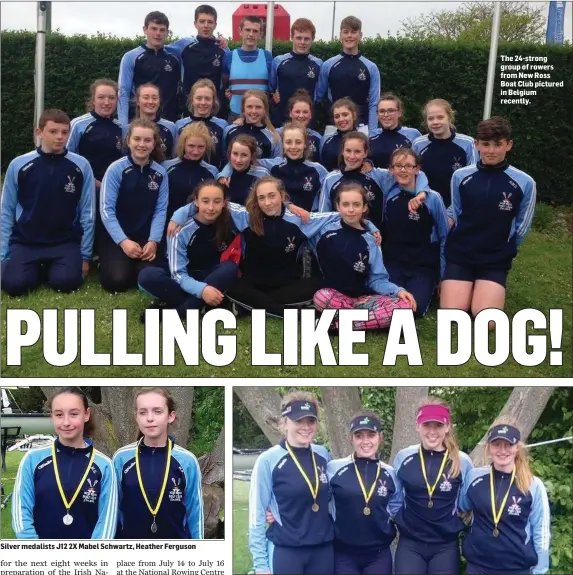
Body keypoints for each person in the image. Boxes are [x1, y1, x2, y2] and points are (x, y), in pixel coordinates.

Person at [170, 176, 378, 319]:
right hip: (253, 283)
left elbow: (343, 214)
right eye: (262, 198)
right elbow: (213, 201)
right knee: (231, 285)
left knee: (318, 285)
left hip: (287, 285)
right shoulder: (246, 217)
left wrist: (369, 224)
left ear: (282, 196)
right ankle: (289, 314)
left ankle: (250, 308)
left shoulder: (300, 220)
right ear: (256, 200)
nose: (268, 203)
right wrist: (179, 214)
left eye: (272, 196)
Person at [439, 116, 536, 317]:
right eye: (485, 144)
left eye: (497, 145)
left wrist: (506, 247)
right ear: (476, 145)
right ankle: (465, 285)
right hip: (461, 254)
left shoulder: (525, 182)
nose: (491, 150)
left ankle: (486, 287)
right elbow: (457, 212)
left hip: (495, 258)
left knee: (488, 320)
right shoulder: (460, 176)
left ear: (508, 145)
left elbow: (522, 225)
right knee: (452, 315)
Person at [1, 109, 95, 296]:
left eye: (64, 132)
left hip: (64, 241)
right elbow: (6, 211)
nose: (60, 137)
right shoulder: (19, 165)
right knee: (14, 286)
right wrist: (3, 256)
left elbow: (88, 212)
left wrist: (85, 256)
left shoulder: (81, 165)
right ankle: (33, 267)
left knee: (67, 283)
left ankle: (52, 268)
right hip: (27, 241)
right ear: (39, 132)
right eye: (53, 132)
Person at [11, 387, 117, 539]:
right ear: (51, 416)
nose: (66, 422)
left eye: (74, 414)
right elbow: (21, 513)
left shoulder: (104, 465)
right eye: (59, 414)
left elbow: (107, 520)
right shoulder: (32, 459)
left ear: (86, 415)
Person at [249, 391, 334, 575]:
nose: (306, 427)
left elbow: (334, 498)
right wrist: (260, 565)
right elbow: (256, 515)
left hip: (323, 550)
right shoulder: (268, 460)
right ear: (284, 422)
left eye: (310, 421)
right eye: (298, 421)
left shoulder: (323, 455)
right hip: (287, 551)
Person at [311, 182, 416, 330]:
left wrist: (398, 290)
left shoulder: (371, 240)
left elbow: (377, 279)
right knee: (321, 297)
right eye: (346, 204)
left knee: (404, 307)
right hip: (333, 296)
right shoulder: (323, 230)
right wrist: (289, 205)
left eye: (356, 204)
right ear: (338, 206)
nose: (351, 210)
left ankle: (339, 325)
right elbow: (298, 218)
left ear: (364, 207)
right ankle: (370, 320)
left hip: (362, 300)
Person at [392, 397, 474, 575]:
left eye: (437, 425)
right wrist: (402, 518)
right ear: (417, 426)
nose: (432, 431)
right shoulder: (403, 457)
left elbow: (466, 503)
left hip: (445, 546)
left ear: (447, 427)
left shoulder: (462, 461)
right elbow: (395, 497)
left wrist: (455, 520)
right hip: (410, 544)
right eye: (426, 425)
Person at [459, 419, 551, 575]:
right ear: (488, 447)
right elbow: (460, 507)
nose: (502, 450)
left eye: (508, 444)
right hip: (478, 566)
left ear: (517, 447)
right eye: (496, 444)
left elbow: (541, 530)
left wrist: (540, 569)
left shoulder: (532, 485)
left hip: (516, 568)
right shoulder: (474, 477)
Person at [138, 180, 238, 320]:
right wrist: (202, 291)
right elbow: (178, 274)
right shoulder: (180, 229)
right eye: (205, 201)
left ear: (224, 203)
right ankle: (205, 304)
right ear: (195, 202)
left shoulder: (233, 216)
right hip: (185, 280)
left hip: (214, 277)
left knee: (230, 267)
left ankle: (178, 313)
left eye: (216, 201)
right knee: (147, 276)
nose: (211, 207)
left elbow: (256, 215)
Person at [113, 388, 203, 539]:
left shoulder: (187, 461)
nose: (149, 418)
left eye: (157, 411)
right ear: (136, 417)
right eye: (143, 412)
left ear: (170, 416)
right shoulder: (121, 458)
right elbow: (113, 512)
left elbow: (195, 514)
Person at [327, 412, 402, 575]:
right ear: (351, 439)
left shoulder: (391, 473)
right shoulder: (333, 469)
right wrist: (274, 509)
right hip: (343, 554)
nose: (365, 441)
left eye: (371, 435)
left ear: (380, 437)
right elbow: (314, 496)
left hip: (379, 555)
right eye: (359, 436)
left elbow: (396, 505)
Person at [99, 119, 168, 293]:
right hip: (117, 238)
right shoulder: (115, 169)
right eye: (137, 139)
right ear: (128, 140)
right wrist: (124, 242)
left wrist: (153, 241)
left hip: (145, 238)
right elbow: (106, 210)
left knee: (150, 275)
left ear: (154, 144)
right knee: (116, 281)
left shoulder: (160, 173)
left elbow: (160, 210)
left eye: (147, 140)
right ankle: (107, 261)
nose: (142, 144)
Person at [383, 148, 449, 318]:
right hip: (395, 263)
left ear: (417, 169)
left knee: (414, 309)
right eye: (398, 166)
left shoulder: (433, 198)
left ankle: (428, 287)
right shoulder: (389, 194)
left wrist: (444, 277)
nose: (403, 170)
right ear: (391, 170)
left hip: (422, 266)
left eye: (408, 166)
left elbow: (444, 237)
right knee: (384, 302)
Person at [317, 132, 429, 231]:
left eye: (357, 151)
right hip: (340, 240)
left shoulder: (379, 176)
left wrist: (422, 192)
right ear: (342, 152)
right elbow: (324, 215)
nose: (352, 156)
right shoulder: (331, 179)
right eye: (348, 151)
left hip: (375, 239)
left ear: (365, 153)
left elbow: (416, 173)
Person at [219, 122, 328, 212]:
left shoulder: (318, 170)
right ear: (283, 144)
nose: (293, 147)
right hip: (279, 221)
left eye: (298, 142)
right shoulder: (272, 165)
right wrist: (225, 173)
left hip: (307, 221)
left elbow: (331, 187)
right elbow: (244, 160)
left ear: (305, 144)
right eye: (288, 142)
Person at [316, 16, 380, 131]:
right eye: (346, 32)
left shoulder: (371, 67)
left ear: (360, 35)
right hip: (333, 126)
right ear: (340, 36)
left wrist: (373, 132)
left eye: (354, 32)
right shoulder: (328, 65)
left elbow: (374, 103)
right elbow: (317, 97)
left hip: (361, 127)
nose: (349, 35)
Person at [118, 11, 181, 124]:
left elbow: (195, 42)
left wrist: (217, 41)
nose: (158, 33)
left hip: (169, 122)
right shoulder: (131, 57)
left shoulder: (175, 56)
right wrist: (123, 125)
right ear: (145, 29)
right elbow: (123, 93)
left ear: (167, 32)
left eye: (162, 30)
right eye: (154, 28)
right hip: (140, 123)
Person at [412, 99, 477, 206]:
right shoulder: (418, 144)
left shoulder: (468, 143)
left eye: (440, 117)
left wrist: (453, 212)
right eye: (431, 118)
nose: (435, 122)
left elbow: (473, 178)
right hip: (426, 206)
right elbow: (414, 176)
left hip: (457, 208)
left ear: (450, 118)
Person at [164, 5, 229, 111]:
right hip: (190, 109)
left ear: (215, 24)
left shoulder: (223, 49)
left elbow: (232, 75)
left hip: (216, 110)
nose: (206, 25)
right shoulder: (184, 45)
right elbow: (158, 48)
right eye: (202, 21)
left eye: (210, 22)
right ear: (195, 23)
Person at [68, 78, 127, 189]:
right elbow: (67, 158)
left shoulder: (121, 128)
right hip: (85, 187)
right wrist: (92, 181)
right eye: (101, 97)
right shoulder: (78, 124)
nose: (106, 102)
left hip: (113, 189)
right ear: (93, 100)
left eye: (112, 98)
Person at [162, 122, 219, 225]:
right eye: (191, 146)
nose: (195, 151)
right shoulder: (166, 167)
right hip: (171, 227)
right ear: (183, 144)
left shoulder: (212, 171)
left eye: (200, 147)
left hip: (200, 228)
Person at [269, 18, 322, 127]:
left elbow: (320, 94)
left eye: (306, 39)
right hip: (281, 121)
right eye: (299, 38)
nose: (302, 42)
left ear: (312, 39)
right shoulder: (278, 61)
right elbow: (271, 88)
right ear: (292, 37)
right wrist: (273, 96)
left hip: (307, 122)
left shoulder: (319, 64)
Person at [222, 15, 273, 121]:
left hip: (260, 115)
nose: (251, 34)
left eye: (255, 31)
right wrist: (228, 91)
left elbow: (272, 87)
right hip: (236, 113)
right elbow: (224, 84)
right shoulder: (229, 57)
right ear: (240, 31)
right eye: (247, 30)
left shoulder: (267, 57)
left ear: (261, 34)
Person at [175, 79, 228, 169]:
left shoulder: (222, 125)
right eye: (199, 98)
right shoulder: (179, 125)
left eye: (207, 99)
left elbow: (225, 156)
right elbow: (176, 155)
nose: (203, 102)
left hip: (212, 178)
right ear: (192, 100)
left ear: (213, 101)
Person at [223, 90, 282, 160]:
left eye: (258, 107)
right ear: (243, 109)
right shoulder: (229, 130)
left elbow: (277, 163)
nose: (253, 111)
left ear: (265, 110)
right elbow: (223, 158)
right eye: (249, 107)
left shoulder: (273, 138)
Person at [368, 94, 422, 168]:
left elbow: (420, 164)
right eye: (382, 111)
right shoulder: (372, 135)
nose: (386, 114)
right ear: (377, 114)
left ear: (399, 113)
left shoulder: (413, 134)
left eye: (390, 110)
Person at [320, 99, 367, 172]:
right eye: (337, 116)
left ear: (354, 115)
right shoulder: (326, 140)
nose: (341, 119)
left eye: (345, 115)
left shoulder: (365, 139)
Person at [134, 83, 177, 159]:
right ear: (138, 101)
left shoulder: (171, 127)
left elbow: (174, 157)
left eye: (154, 98)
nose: (150, 102)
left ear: (159, 101)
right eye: (146, 97)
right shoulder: (128, 128)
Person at [278, 89, 322, 163]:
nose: (301, 116)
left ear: (310, 115)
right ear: (290, 113)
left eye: (305, 112)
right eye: (297, 112)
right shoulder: (277, 134)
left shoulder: (318, 137)